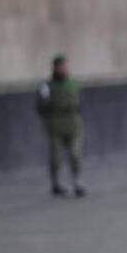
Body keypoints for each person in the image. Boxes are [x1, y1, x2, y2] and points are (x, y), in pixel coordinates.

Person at [35, 55, 85, 197]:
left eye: (65, 66)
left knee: (76, 154)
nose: (64, 69)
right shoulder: (47, 86)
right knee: (56, 156)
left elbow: (79, 102)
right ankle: (56, 183)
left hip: (73, 123)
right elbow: (40, 106)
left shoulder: (73, 83)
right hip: (56, 125)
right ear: (55, 68)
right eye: (61, 66)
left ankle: (78, 182)